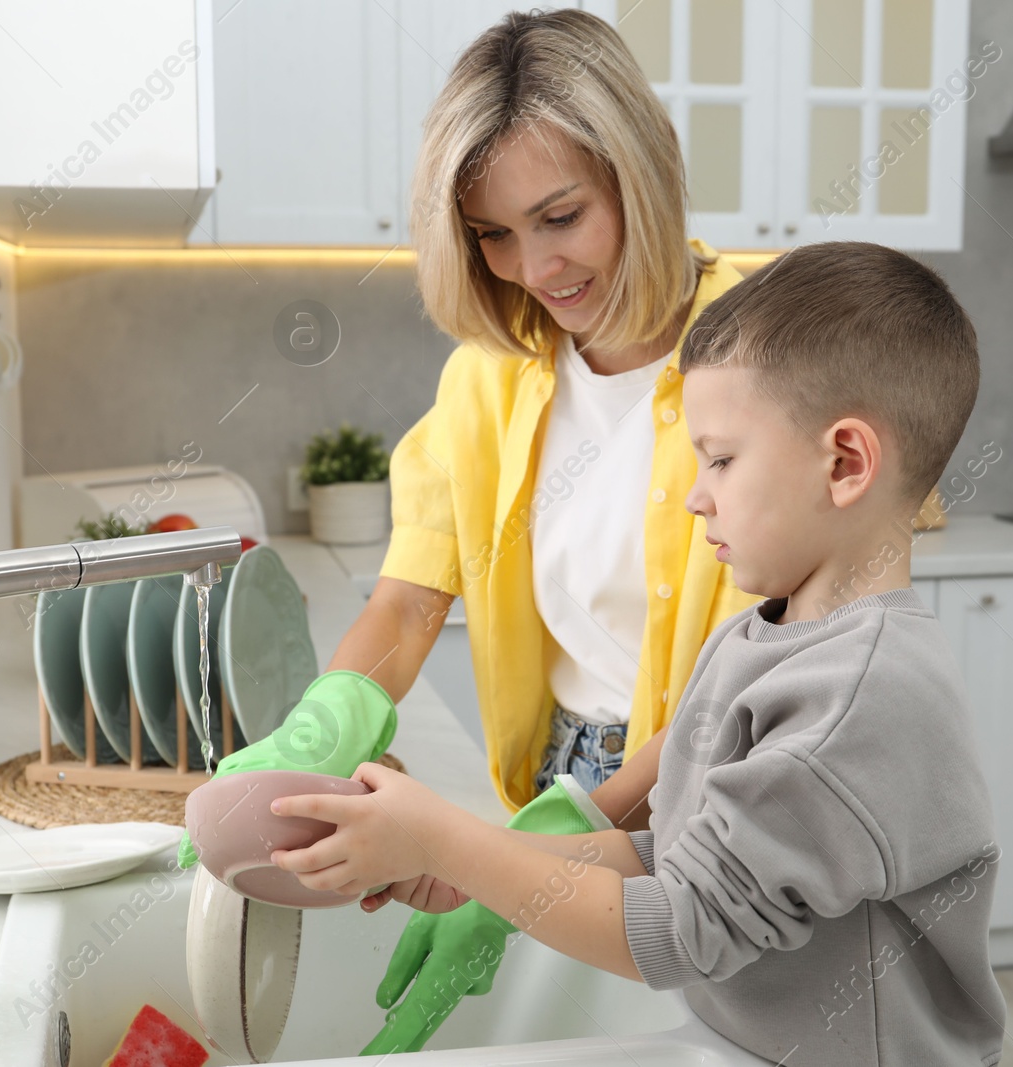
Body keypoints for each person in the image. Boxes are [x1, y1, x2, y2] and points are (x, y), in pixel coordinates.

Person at [181, 9, 779, 1051]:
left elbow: (759, 669)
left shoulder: (772, 344)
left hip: (708, 779)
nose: (533, 267)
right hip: (559, 766)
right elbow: (412, 599)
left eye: (560, 215)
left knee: (686, 1036)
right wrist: (330, 717)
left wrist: (567, 835)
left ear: (639, 171)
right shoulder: (489, 379)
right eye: (492, 234)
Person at [268, 241, 1009, 1066]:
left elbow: (683, 930)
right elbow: (683, 854)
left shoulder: (858, 696)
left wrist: (450, 843)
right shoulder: (758, 637)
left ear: (844, 463)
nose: (697, 495)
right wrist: (489, 869)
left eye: (722, 459)